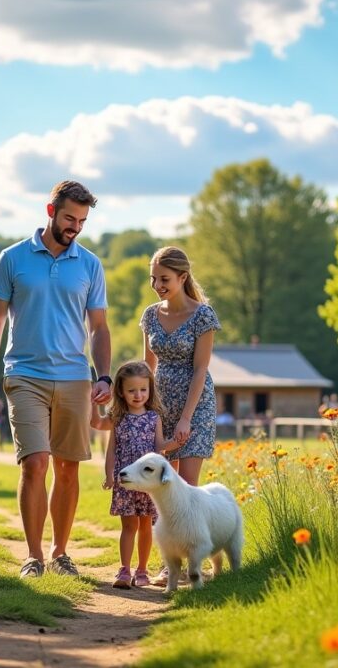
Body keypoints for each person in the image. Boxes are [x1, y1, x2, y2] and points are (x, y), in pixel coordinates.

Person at [0, 180, 111, 579]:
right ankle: (33, 556)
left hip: (74, 377)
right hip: (25, 375)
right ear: (51, 212)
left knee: (68, 468)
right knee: (34, 463)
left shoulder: (89, 265)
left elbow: (99, 328)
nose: (76, 227)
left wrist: (103, 375)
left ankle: (60, 553)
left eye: (83, 221)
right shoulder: (12, 258)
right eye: (70, 218)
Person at [140, 246, 221, 586]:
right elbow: (147, 366)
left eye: (165, 279)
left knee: (186, 490)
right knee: (163, 490)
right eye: (154, 278)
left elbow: (201, 369)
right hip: (160, 404)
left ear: (183, 277)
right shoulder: (149, 315)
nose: (158, 285)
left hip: (195, 404)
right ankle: (168, 565)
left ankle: (195, 563)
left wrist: (187, 417)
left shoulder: (203, 316)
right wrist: (142, 410)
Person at [90, 361, 181, 589]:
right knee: (128, 526)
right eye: (131, 390)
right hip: (126, 481)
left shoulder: (154, 418)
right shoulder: (117, 418)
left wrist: (176, 442)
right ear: (120, 391)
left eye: (143, 389)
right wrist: (110, 474)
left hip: (148, 483)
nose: (138, 395)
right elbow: (111, 448)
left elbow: (160, 445)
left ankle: (142, 570)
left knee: (145, 526)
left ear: (150, 389)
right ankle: (124, 570)